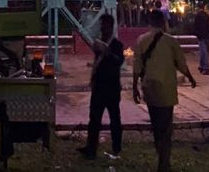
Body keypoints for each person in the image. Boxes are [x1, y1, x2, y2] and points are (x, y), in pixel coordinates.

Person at [132, 9, 196, 172]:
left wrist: (134, 87)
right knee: (166, 126)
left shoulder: (141, 40)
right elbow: (181, 64)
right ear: (163, 23)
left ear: (149, 23)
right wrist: (190, 77)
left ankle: (161, 156)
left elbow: (137, 66)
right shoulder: (171, 41)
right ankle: (164, 162)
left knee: (156, 124)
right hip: (166, 88)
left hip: (149, 87)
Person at [78, 13, 125, 160]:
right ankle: (91, 148)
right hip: (99, 87)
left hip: (111, 88)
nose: (102, 28)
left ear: (110, 27)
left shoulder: (117, 45)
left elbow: (118, 62)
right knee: (94, 120)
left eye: (104, 25)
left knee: (115, 119)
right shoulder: (99, 43)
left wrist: (108, 52)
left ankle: (116, 147)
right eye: (101, 25)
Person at [193, 2, 209, 75]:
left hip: (201, 36)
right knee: (203, 51)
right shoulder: (206, 15)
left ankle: (206, 67)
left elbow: (196, 26)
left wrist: (196, 33)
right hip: (206, 35)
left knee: (203, 52)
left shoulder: (198, 15)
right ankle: (202, 66)